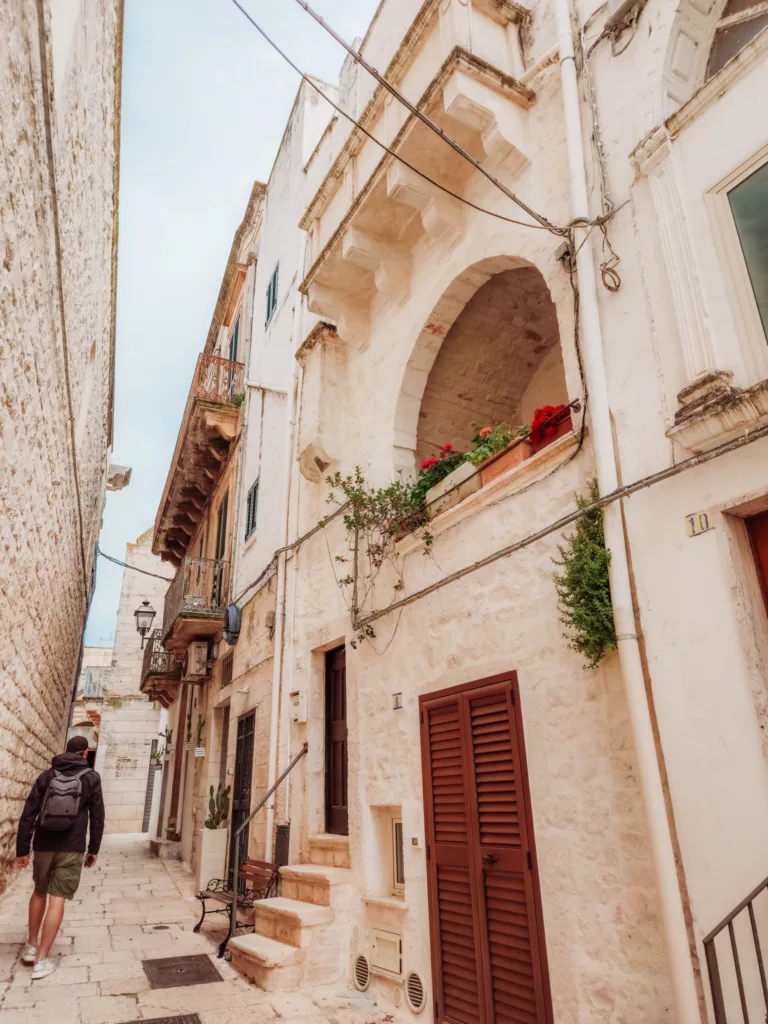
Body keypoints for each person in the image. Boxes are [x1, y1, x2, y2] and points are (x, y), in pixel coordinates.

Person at [15, 735, 105, 980]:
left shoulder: (47, 776)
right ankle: (43, 960)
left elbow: (28, 813)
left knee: (39, 891)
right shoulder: (91, 778)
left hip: (44, 844)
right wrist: (93, 848)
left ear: (66, 751)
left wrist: (22, 849)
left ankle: (31, 946)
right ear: (85, 753)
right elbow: (97, 816)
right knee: (57, 900)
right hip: (72, 847)